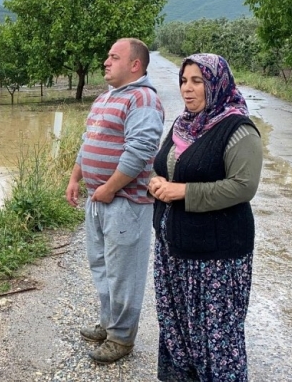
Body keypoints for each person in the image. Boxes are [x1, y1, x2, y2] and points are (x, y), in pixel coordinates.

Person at [149, 53, 263, 381]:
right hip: (173, 251)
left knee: (216, 337)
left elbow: (243, 187)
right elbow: (167, 169)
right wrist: (156, 185)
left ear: (216, 83)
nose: (187, 89)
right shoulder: (182, 124)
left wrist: (184, 192)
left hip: (217, 258)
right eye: (184, 81)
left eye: (197, 81)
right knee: (179, 329)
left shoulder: (238, 129)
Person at [66, 38, 165, 364]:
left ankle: (122, 338)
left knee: (124, 272)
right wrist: (75, 177)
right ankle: (110, 324)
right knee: (103, 267)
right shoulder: (105, 97)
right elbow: (88, 140)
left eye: (114, 57)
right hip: (99, 200)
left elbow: (140, 150)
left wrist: (109, 187)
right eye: (107, 56)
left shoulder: (143, 99)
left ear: (135, 64)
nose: (105, 62)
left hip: (125, 202)